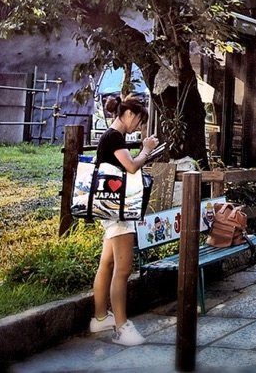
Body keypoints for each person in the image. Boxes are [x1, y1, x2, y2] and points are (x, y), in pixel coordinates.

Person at [89, 95, 158, 345]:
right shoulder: (114, 137)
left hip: (110, 207)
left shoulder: (110, 136)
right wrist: (147, 150)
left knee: (107, 264)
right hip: (117, 210)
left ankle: (99, 318)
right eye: (139, 121)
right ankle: (121, 326)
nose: (138, 127)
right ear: (128, 114)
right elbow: (131, 167)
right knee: (123, 269)